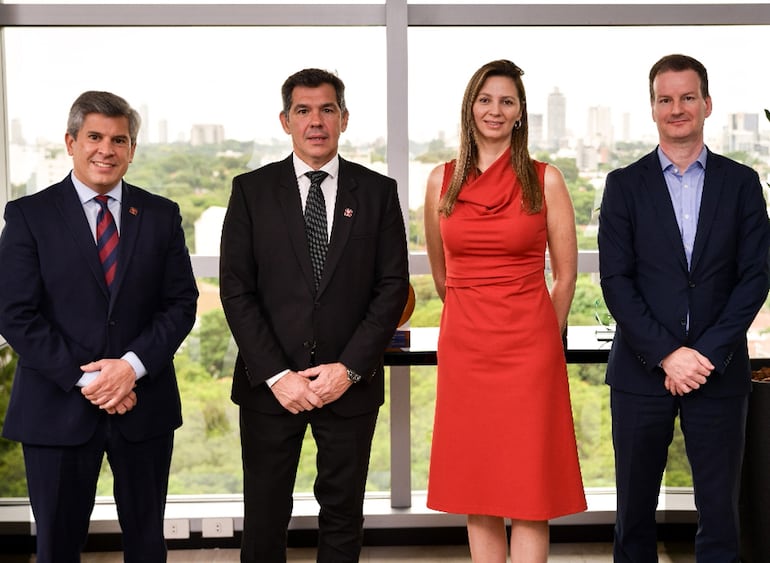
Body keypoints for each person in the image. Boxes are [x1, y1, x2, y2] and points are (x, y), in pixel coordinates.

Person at [219, 67, 409, 563]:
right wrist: (279, 376)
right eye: (303, 111)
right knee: (264, 515)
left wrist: (347, 370)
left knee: (343, 514)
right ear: (285, 121)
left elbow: (391, 289)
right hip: (270, 386)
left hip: (349, 384)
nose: (316, 121)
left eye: (327, 109)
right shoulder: (250, 191)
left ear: (344, 119)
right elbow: (236, 291)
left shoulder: (377, 192)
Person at [0, 91, 198, 562]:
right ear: (71, 142)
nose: (105, 149)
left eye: (119, 139)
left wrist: (130, 368)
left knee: (148, 545)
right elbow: (15, 313)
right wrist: (91, 378)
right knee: (57, 547)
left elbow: (181, 304)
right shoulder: (29, 215)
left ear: (132, 149)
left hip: (143, 405)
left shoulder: (160, 215)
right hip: (57, 408)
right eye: (94, 137)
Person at [598, 54, 770, 562]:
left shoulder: (742, 184)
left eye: (687, 97)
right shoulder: (624, 185)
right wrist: (669, 354)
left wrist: (706, 355)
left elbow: (754, 277)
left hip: (720, 372)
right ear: (652, 108)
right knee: (633, 515)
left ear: (707, 104)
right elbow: (616, 281)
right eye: (666, 99)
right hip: (640, 371)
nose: (677, 108)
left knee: (720, 513)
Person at [424, 59, 586, 563]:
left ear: (520, 114)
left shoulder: (547, 181)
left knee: (529, 491)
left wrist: (541, 332)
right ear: (470, 107)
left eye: (507, 101)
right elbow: (442, 274)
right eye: (486, 99)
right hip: (466, 350)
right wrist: (473, 318)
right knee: (479, 487)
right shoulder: (440, 182)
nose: (495, 110)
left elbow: (565, 274)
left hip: (529, 352)